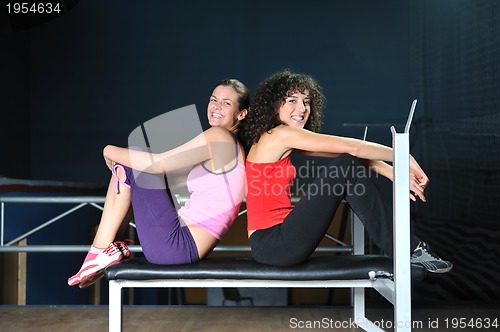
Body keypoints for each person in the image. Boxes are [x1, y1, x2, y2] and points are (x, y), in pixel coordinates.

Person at [239, 69, 452, 273]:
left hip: (274, 243)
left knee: (346, 164)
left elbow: (349, 158)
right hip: (274, 244)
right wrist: (403, 156)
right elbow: (352, 148)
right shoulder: (280, 134)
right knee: (345, 164)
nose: (302, 109)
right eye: (292, 100)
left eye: (306, 102)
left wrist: (393, 173)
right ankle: (410, 249)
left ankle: (408, 248)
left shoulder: (277, 138)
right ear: (275, 104)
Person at [68, 79, 250, 288]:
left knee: (134, 159)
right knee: (133, 164)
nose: (217, 106)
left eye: (226, 103)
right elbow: (166, 175)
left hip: (177, 246)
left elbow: (157, 165)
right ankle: (105, 250)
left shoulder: (219, 137)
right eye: (213, 100)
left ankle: (99, 250)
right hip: (182, 246)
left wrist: (108, 150)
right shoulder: (232, 146)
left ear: (241, 113)